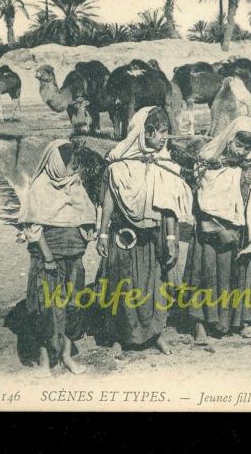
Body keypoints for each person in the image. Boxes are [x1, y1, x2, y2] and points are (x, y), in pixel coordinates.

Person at [95, 106, 193, 354]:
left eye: (165, 132)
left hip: (153, 236)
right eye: (156, 132)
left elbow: (169, 206)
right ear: (142, 132)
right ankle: (120, 337)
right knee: (123, 285)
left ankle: (154, 334)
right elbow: (108, 201)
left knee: (153, 285)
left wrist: (171, 237)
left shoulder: (164, 163)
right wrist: (103, 234)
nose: (162, 138)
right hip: (124, 236)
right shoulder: (119, 165)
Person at [184, 116, 251, 344]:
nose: (242, 151)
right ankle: (200, 324)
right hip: (209, 228)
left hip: (239, 229)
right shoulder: (209, 159)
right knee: (206, 274)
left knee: (236, 275)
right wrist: (218, 226)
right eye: (238, 145)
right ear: (229, 138)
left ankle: (234, 321)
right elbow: (203, 196)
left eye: (248, 147)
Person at [18, 139, 99, 376]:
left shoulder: (75, 185)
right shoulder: (40, 188)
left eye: (75, 166)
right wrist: (48, 258)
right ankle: (45, 360)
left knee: (72, 307)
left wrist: (88, 233)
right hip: (48, 261)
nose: (74, 170)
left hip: (74, 259)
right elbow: (33, 226)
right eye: (71, 166)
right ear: (56, 163)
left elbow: (85, 217)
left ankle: (65, 356)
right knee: (46, 308)